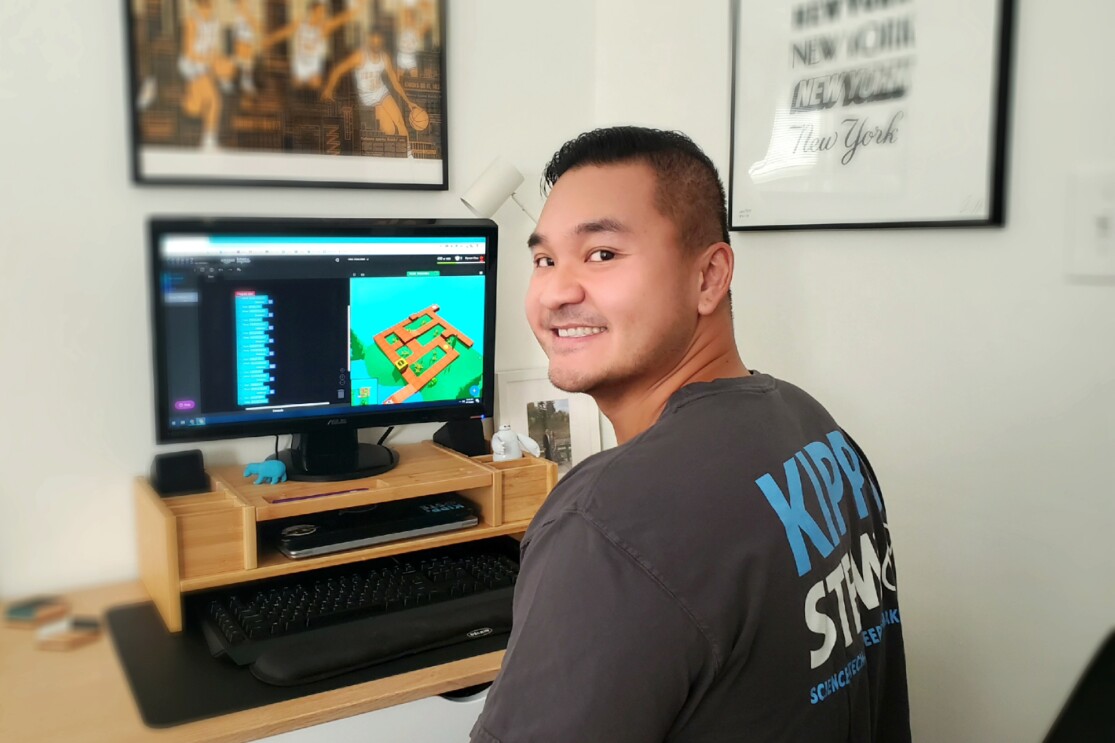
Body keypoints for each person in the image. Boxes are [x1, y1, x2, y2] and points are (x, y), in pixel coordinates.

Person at [470, 127, 910, 742]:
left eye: (602, 254)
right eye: (545, 260)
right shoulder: (813, 426)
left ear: (709, 277)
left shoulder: (607, 520)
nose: (556, 292)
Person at [321, 30, 420, 157]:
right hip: (368, 98)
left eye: (378, 42)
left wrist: (408, 102)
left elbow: (395, 83)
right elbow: (338, 70)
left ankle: (410, 156)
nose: (376, 44)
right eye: (373, 41)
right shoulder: (360, 56)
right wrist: (329, 89)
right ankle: (389, 156)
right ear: (369, 41)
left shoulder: (384, 58)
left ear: (381, 42)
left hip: (381, 93)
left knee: (399, 121)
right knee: (389, 129)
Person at [264, 0, 364, 90]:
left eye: (324, 12)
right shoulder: (300, 24)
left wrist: (357, 8)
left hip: (314, 71)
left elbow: (342, 19)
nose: (322, 15)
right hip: (299, 69)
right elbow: (284, 33)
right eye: (320, 12)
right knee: (295, 85)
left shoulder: (324, 27)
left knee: (315, 85)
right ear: (312, 11)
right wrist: (270, 40)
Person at [177, 0, 235, 150]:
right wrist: (210, 61)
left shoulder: (215, 21)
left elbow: (213, 49)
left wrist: (217, 60)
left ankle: (223, 79)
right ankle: (208, 140)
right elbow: (189, 53)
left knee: (229, 66)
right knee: (212, 100)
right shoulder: (192, 21)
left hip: (207, 64)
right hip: (192, 65)